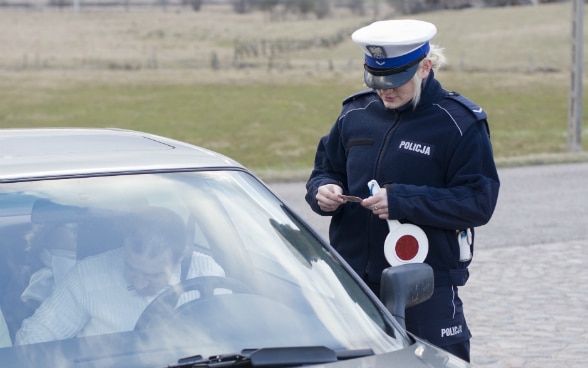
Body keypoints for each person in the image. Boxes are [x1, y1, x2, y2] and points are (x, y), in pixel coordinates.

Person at [305, 19, 500, 362]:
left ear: (425, 67)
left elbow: (478, 202)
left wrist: (402, 201)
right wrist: (323, 191)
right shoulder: (354, 113)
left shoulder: (459, 124)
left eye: (396, 81)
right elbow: (325, 170)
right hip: (354, 283)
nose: (386, 91)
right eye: (377, 81)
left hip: (426, 288)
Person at [15, 206, 225, 345]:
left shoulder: (206, 270)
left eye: (153, 275)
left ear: (181, 256)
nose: (140, 284)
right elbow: (32, 339)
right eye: (131, 268)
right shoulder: (89, 276)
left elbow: (233, 331)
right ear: (125, 246)